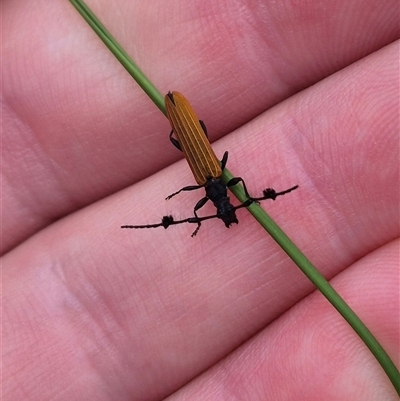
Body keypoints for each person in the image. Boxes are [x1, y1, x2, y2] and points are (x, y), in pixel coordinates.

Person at [3, 1, 399, 400]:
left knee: (188, 140)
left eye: (221, 207)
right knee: (189, 139)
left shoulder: (207, 181)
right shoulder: (215, 176)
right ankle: (184, 123)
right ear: (225, 197)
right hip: (193, 138)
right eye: (226, 205)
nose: (223, 207)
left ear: (218, 201)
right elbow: (225, 182)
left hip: (194, 142)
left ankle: (184, 125)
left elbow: (209, 193)